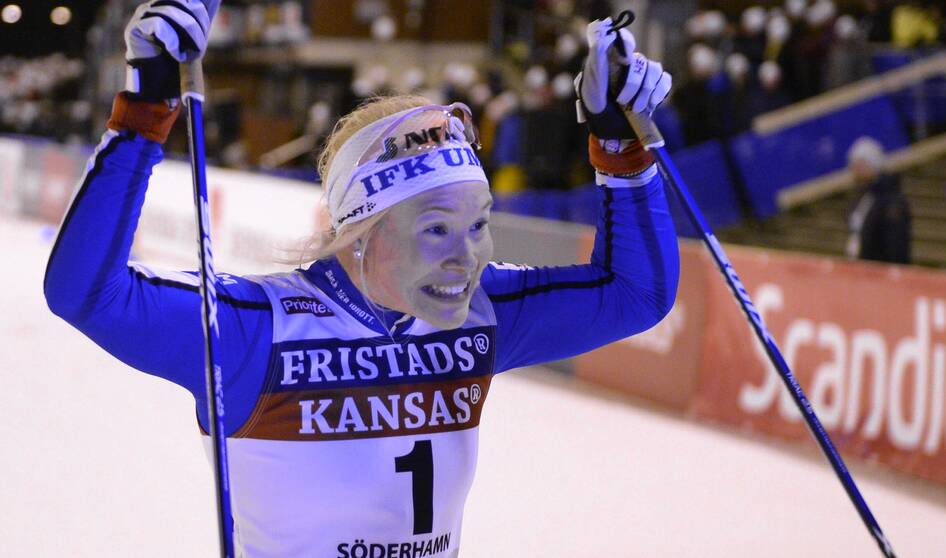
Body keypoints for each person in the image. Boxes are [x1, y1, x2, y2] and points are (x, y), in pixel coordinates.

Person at [43, 2, 680, 556]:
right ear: (361, 233)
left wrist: (621, 152)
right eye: (436, 228)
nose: (467, 257)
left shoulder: (481, 314)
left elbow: (637, 295)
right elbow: (86, 294)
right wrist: (146, 110)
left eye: (479, 224)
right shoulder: (256, 330)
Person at [845, 136, 912, 264]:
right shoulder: (865, 195)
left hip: (878, 269)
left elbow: (895, 246)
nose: (853, 170)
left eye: (858, 165)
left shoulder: (891, 201)